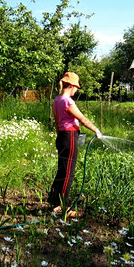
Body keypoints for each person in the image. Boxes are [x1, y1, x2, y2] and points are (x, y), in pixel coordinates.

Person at [48, 72, 102, 218]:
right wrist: (96, 130)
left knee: (62, 170)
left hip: (62, 137)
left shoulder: (57, 100)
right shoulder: (67, 101)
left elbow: (57, 123)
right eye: (76, 87)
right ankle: (64, 207)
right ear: (71, 86)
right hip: (70, 136)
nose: (76, 90)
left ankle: (55, 204)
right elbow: (82, 119)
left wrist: (59, 139)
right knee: (68, 174)